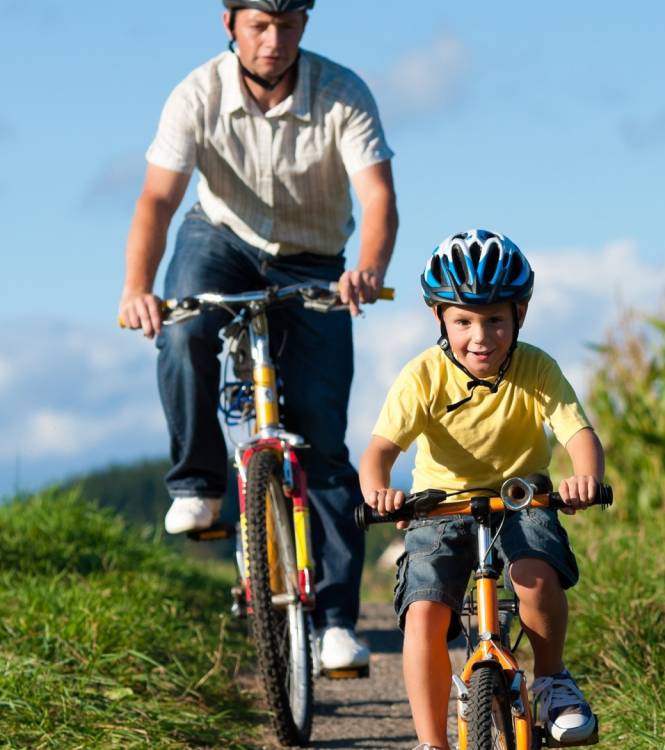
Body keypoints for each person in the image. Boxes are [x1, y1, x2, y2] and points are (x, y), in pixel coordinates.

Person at [116, 0, 397, 674]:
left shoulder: (342, 93)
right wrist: (137, 287)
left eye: (288, 25)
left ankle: (335, 622)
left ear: (306, 26)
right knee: (182, 335)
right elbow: (157, 199)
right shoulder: (196, 94)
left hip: (314, 259)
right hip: (220, 242)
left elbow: (380, 196)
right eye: (258, 26)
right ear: (229, 25)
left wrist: (368, 271)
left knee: (323, 439)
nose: (273, 41)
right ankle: (199, 486)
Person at [361, 230, 604, 750]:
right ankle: (432, 741)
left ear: (520, 314)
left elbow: (579, 434)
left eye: (495, 319)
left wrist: (585, 476)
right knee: (424, 612)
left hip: (522, 499)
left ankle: (552, 680)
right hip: (437, 508)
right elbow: (379, 453)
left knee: (536, 578)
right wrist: (380, 491)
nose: (481, 336)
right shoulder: (423, 376)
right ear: (439, 320)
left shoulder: (536, 368)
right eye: (464, 321)